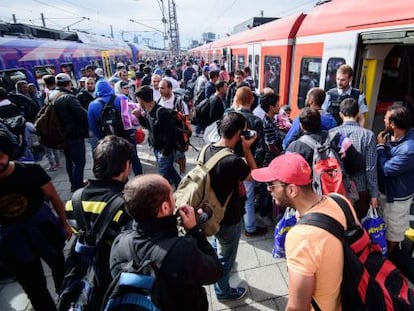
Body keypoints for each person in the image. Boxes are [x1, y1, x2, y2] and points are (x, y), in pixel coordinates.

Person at [252, 152, 358, 310]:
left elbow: (297, 307)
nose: (269, 190)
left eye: (272, 185)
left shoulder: (300, 237)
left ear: (292, 190)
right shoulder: (339, 200)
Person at [109, 174, 222, 310]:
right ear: (165, 208)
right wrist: (194, 231)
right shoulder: (181, 250)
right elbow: (215, 272)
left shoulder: (119, 243)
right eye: (171, 195)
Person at [0, 131, 72, 311]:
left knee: (59, 267)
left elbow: (54, 198)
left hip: (43, 229)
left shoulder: (30, 170)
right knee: (33, 285)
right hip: (13, 238)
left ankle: (65, 299)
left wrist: (65, 223)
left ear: (7, 153)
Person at [65, 135, 133, 298]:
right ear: (126, 166)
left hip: (85, 271)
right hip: (115, 276)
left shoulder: (74, 200)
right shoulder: (127, 206)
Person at [205, 111, 257, 300]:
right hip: (229, 218)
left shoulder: (208, 149)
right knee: (226, 258)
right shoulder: (233, 161)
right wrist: (247, 148)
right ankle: (223, 291)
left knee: (218, 245)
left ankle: (215, 275)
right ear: (238, 134)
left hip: (211, 213)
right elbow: (254, 175)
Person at [330, 98, 379, 219]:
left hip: (338, 189)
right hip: (361, 188)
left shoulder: (331, 134)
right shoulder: (368, 135)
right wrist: (374, 194)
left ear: (341, 114)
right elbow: (370, 167)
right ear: (358, 114)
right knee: (359, 225)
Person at [377, 104, 414, 255]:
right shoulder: (395, 135)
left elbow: (386, 169)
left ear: (393, 124)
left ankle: (388, 258)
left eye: (386, 119)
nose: (384, 120)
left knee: (393, 232)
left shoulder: (409, 149)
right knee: (384, 226)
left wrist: (380, 147)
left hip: (397, 197)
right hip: (386, 192)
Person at [88, 80, 143, 175]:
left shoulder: (92, 105)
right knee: (133, 157)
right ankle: (139, 178)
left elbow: (92, 126)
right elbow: (130, 117)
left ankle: (120, 183)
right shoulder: (122, 98)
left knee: (114, 161)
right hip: (127, 134)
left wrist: (102, 138)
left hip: (109, 138)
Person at [135, 85, 181, 188]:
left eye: (138, 100)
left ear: (142, 100)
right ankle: (180, 185)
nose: (137, 103)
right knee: (170, 171)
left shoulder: (162, 113)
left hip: (165, 151)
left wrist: (165, 153)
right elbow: (148, 126)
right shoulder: (148, 111)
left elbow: (172, 135)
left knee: (161, 178)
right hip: (157, 148)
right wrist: (139, 117)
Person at [52, 73, 89, 192]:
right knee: (79, 162)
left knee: (69, 160)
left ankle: (73, 183)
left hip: (61, 135)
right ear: (69, 83)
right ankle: (78, 186)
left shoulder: (51, 95)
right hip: (74, 134)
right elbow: (83, 114)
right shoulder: (69, 97)